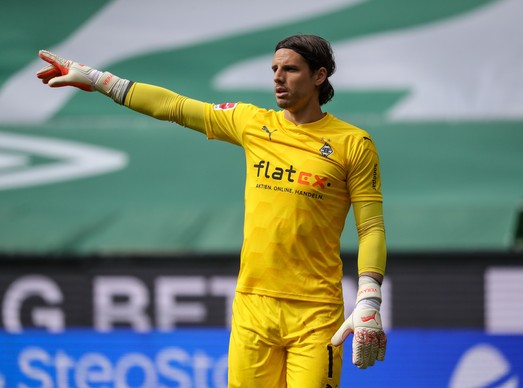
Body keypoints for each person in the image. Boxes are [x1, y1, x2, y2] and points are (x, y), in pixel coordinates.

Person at [36, 34, 387, 387]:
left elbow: (370, 227)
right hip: (253, 305)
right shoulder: (251, 122)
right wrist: (98, 80)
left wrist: (369, 297)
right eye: (274, 69)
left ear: (319, 75)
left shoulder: (353, 143)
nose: (278, 77)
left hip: (315, 312)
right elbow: (174, 106)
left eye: (291, 69)